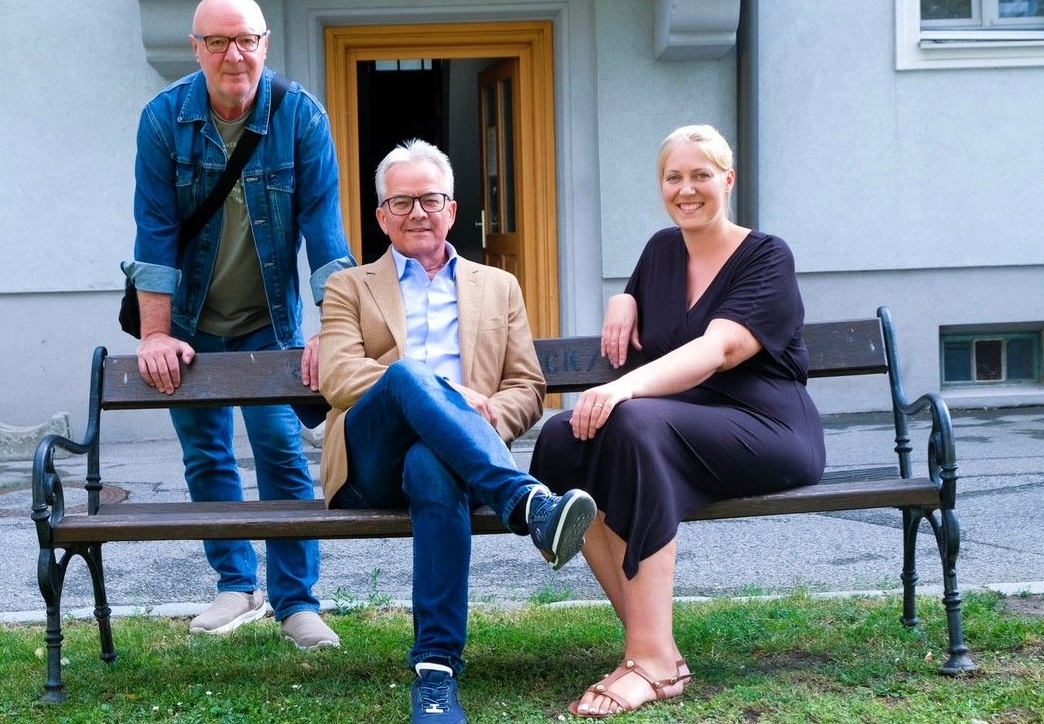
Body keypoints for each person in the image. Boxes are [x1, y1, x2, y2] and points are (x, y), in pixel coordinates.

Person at [530, 125, 825, 718]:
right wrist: (623, 298)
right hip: (682, 423)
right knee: (564, 438)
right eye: (674, 177)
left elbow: (716, 351)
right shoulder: (663, 249)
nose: (686, 190)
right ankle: (656, 649)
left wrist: (619, 387)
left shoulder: (767, 256)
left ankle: (649, 659)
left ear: (728, 181)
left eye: (701, 176)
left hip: (764, 426)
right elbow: (643, 301)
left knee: (634, 426)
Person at [319, 139, 598, 724]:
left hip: (458, 463)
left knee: (431, 462)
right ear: (380, 216)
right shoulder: (350, 287)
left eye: (430, 199)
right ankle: (527, 505)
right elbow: (340, 375)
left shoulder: (499, 287)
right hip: (372, 463)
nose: (417, 212)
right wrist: (450, 394)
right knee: (407, 376)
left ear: (452, 209)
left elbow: (526, 386)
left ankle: (435, 673)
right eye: (401, 202)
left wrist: (490, 413)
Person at [123, 0, 354, 648]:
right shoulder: (165, 120)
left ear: (266, 43)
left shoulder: (300, 117)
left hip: (268, 320)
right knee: (206, 453)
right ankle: (235, 584)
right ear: (196, 49)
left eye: (245, 39)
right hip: (191, 320)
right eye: (218, 42)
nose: (234, 55)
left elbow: (326, 233)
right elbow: (156, 231)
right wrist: (158, 332)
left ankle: (296, 600)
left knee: (282, 451)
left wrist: (331, 331)